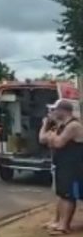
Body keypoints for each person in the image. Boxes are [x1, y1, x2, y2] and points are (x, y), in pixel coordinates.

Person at [39, 99, 83, 235]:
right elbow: (42, 139)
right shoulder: (61, 125)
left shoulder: (73, 125)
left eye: (54, 109)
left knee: (68, 196)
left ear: (63, 111)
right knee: (61, 194)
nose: (52, 112)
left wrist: (52, 137)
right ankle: (58, 222)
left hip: (74, 167)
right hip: (63, 165)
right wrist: (45, 125)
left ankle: (64, 226)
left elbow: (57, 143)